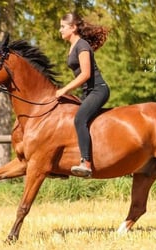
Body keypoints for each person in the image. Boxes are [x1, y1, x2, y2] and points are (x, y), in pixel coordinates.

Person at [55, 12, 110, 177]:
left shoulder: (82, 45)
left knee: (79, 119)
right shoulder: (73, 46)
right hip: (87, 93)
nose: (60, 30)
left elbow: (86, 74)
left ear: (73, 28)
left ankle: (86, 163)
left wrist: (65, 90)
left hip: (98, 90)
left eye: (63, 26)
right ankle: (60, 166)